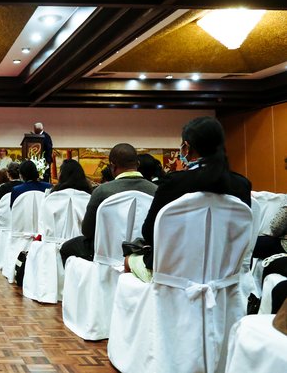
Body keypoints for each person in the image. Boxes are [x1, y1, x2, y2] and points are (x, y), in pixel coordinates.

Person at [124, 116, 252, 283]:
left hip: (175, 277)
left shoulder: (173, 183)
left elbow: (149, 232)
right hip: (223, 278)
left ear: (187, 147)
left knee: (128, 261)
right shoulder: (241, 185)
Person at [59, 144, 157, 266]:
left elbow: (87, 231)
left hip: (106, 255)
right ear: (137, 164)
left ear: (112, 166)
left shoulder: (102, 191)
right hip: (143, 252)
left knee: (66, 248)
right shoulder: (156, 191)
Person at [0, 163, 22, 234]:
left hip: (5, 226)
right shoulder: (24, 187)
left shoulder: (3, 188)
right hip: (21, 223)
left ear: (8, 174)